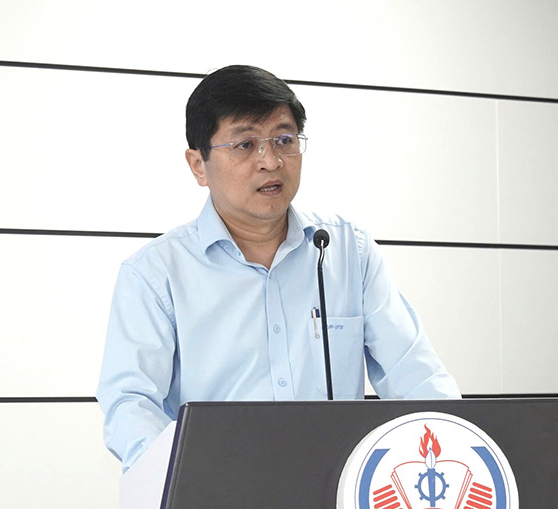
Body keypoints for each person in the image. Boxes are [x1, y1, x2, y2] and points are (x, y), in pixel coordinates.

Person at [96, 65, 461, 472]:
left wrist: (456, 448)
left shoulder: (347, 251)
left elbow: (415, 377)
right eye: (245, 144)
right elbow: (131, 404)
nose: (270, 161)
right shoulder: (156, 274)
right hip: (218, 488)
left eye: (284, 140)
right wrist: (187, 477)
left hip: (336, 485)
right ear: (198, 164)